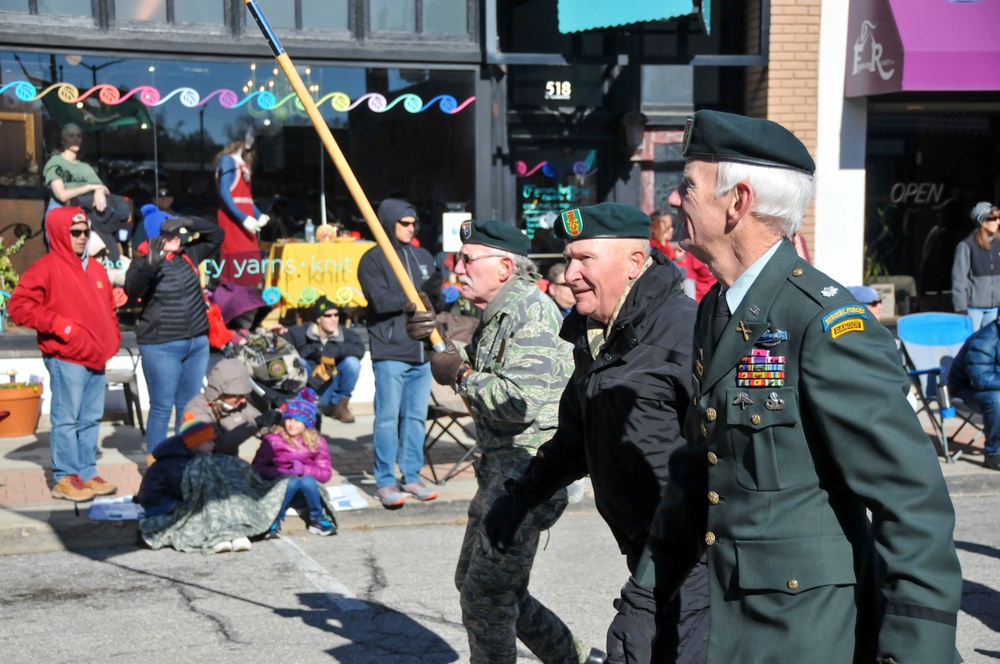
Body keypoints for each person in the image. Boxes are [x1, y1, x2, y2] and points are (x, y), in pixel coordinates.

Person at [646, 109, 962, 662]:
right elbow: (700, 466)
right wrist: (647, 591)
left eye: (688, 186)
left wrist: (918, 650)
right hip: (732, 624)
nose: (675, 201)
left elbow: (911, 503)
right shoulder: (717, 308)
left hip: (807, 634)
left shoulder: (823, 322)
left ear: (736, 202)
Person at [480, 204, 707, 664]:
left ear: (634, 264)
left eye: (586, 259)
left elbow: (731, 460)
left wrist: (657, 587)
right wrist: (521, 497)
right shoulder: (596, 334)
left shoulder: (686, 333)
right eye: (568, 259)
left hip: (695, 556)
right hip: (644, 547)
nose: (570, 273)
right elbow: (574, 439)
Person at [405, 219, 601, 664]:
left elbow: (517, 401)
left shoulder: (530, 312)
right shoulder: (502, 311)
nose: (459, 268)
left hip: (528, 470)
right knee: (480, 582)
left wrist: (458, 373)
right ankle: (575, 656)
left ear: (505, 266)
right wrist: (433, 332)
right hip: (500, 470)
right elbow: (485, 369)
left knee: (486, 595)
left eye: (469, 260)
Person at [8, 206, 121, 502]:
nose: (83, 237)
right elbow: (18, 307)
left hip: (95, 356)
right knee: (67, 420)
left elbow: (107, 306)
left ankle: (85, 472)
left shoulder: (95, 268)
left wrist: (112, 336)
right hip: (66, 356)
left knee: (90, 419)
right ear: (60, 232)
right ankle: (64, 477)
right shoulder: (46, 267)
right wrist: (60, 326)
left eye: (86, 232)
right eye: (76, 232)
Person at [357, 198, 439, 508]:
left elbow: (432, 298)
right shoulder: (372, 259)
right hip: (390, 350)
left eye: (413, 222)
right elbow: (379, 301)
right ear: (389, 222)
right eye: (404, 222)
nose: (411, 227)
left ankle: (412, 476)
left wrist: (439, 294)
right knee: (388, 420)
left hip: (422, 352)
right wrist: (415, 297)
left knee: (416, 419)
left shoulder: (422, 255)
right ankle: (385, 481)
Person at [124, 215, 224, 453]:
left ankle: (186, 461)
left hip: (197, 344)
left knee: (188, 405)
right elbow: (132, 291)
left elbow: (217, 234)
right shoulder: (141, 264)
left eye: (177, 232)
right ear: (154, 238)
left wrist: (188, 222)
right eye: (167, 234)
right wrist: (151, 264)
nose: (175, 238)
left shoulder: (189, 254)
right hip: (162, 346)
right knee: (161, 407)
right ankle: (159, 466)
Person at [137, 420, 287, 554]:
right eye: (209, 442)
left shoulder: (189, 457)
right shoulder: (178, 462)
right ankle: (222, 535)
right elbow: (186, 494)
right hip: (159, 504)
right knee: (200, 513)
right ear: (195, 443)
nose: (214, 445)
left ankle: (231, 534)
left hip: (166, 498)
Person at [253, 388, 338, 537]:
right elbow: (257, 468)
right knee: (290, 481)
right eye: (289, 419)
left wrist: (305, 470)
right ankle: (274, 519)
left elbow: (325, 474)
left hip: (306, 493)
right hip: (278, 492)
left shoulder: (317, 442)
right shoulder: (273, 440)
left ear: (307, 423)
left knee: (307, 481)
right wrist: (279, 473)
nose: (292, 424)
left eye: (298, 420)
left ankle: (317, 518)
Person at [283, 295, 365, 423]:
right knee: (300, 363)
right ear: (318, 319)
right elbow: (284, 345)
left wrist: (337, 350)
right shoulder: (301, 332)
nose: (333, 319)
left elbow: (360, 349)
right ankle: (304, 406)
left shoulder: (345, 333)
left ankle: (339, 404)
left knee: (352, 363)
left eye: (336, 315)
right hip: (310, 384)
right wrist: (316, 351)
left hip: (332, 384)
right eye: (328, 316)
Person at [181, 358, 281, 459]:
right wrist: (254, 423)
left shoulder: (239, 404)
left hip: (229, 465)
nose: (243, 400)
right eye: (238, 396)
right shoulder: (196, 409)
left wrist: (277, 424)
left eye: (244, 395)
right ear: (221, 392)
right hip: (201, 467)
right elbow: (217, 447)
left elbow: (263, 426)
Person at [945, 317, 1000, 471]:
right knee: (997, 400)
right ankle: (995, 453)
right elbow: (980, 380)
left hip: (992, 386)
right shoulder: (984, 341)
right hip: (966, 390)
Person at [215, 134, 269, 287]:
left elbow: (247, 198)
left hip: (247, 220)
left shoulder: (243, 163)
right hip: (232, 219)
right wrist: (243, 217)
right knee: (237, 259)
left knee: (250, 259)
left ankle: (250, 296)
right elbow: (226, 194)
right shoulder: (227, 160)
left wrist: (258, 215)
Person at [952, 201, 1000, 329]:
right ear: (981, 220)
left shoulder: (998, 245)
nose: (998, 222)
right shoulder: (967, 246)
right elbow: (959, 279)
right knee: (971, 342)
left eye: (998, 218)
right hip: (973, 309)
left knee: (990, 345)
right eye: (993, 218)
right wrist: (961, 309)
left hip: (995, 308)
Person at [43, 123, 109, 215]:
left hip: (82, 214)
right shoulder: (55, 162)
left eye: (78, 136)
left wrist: (99, 191)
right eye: (71, 135)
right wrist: (88, 187)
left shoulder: (85, 167)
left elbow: (105, 189)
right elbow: (62, 195)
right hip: (59, 214)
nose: (76, 138)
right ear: (63, 140)